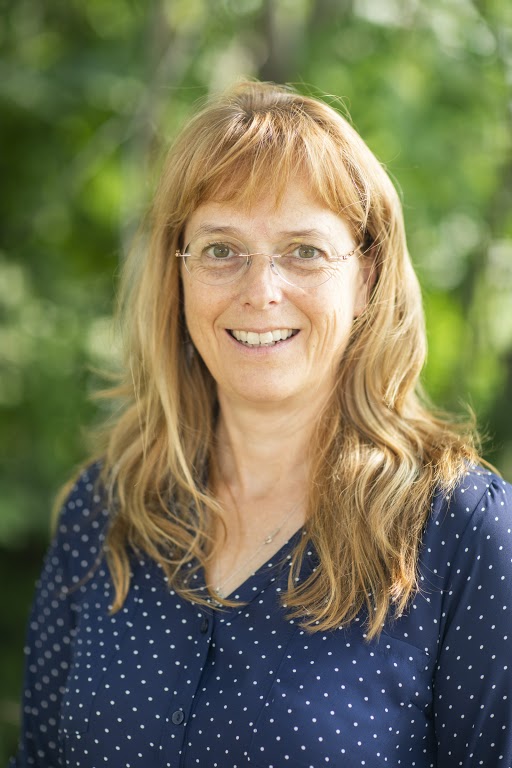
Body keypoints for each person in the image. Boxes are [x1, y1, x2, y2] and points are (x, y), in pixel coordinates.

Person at [10, 80, 512, 768]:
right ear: (178, 274)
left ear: (366, 277)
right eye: (221, 250)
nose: (261, 291)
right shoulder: (105, 511)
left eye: (304, 250)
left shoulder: (461, 530)